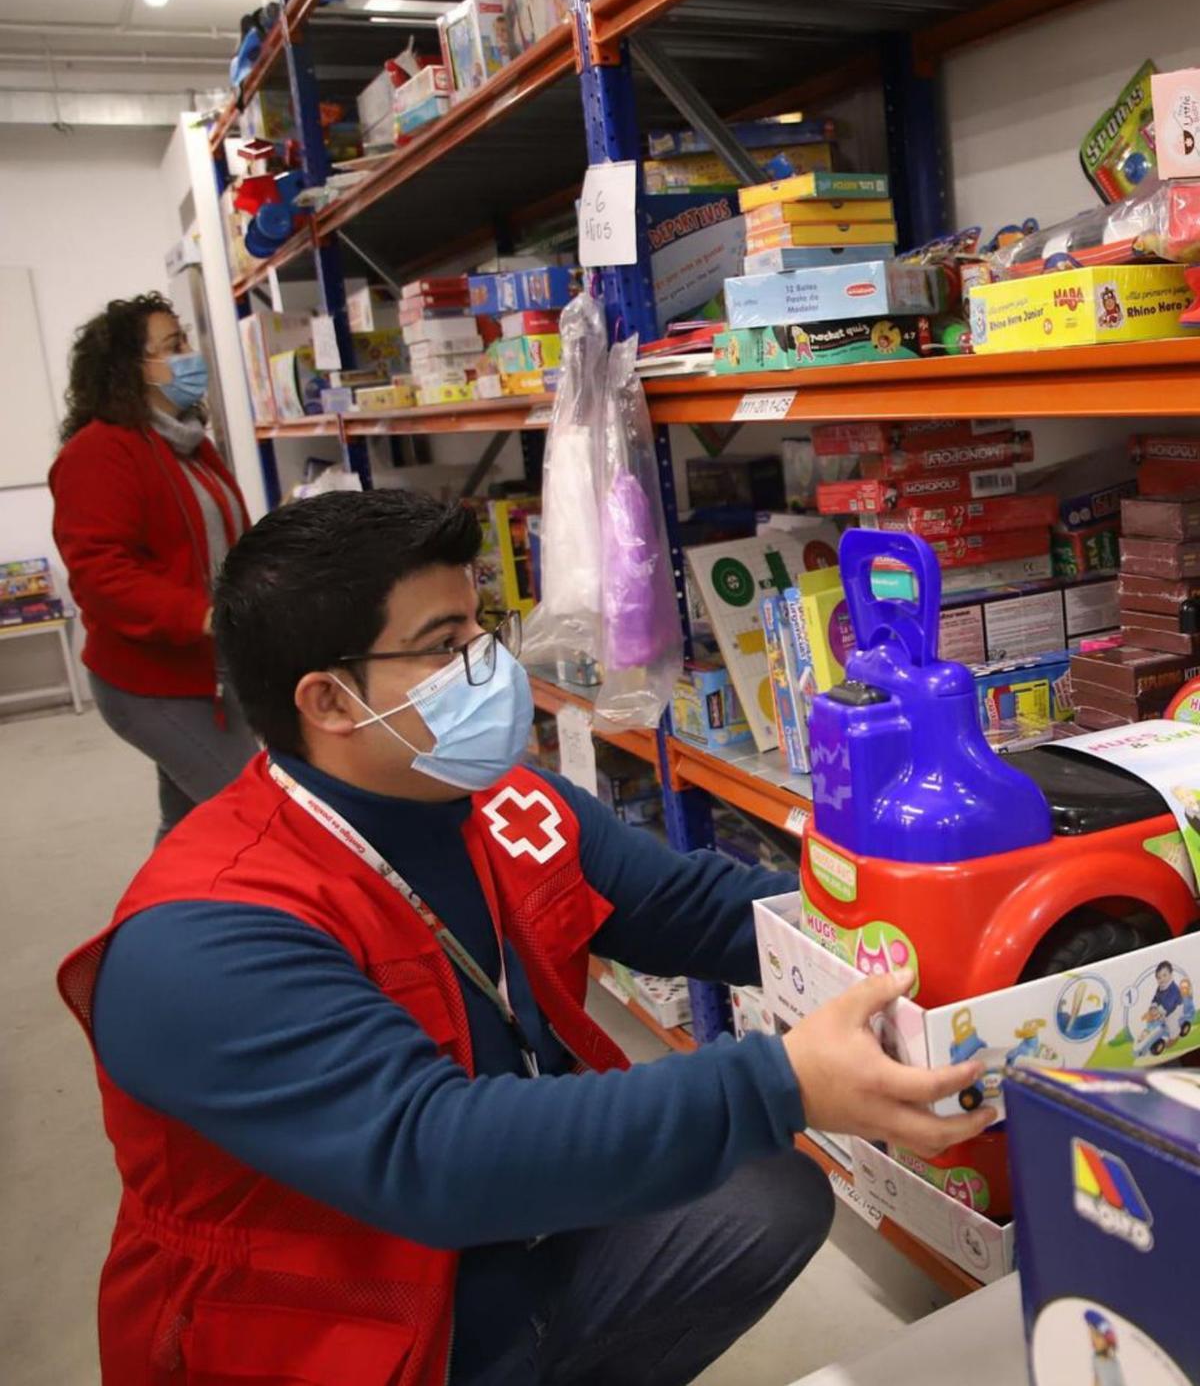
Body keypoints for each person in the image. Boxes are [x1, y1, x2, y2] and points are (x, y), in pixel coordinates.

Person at [58, 490, 994, 1386]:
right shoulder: (208, 934)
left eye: (481, 628)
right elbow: (431, 1154)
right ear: (330, 702)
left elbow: (692, 906)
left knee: (761, 1194)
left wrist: (924, 912)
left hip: (489, 1245)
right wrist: (783, 1080)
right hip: (318, 1328)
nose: (492, 668)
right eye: (444, 645)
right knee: (739, 1139)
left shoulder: (496, 802)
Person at [49, 293, 257, 842]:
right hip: (152, 681)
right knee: (256, 811)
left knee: (190, 825)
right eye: (173, 347)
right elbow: (101, 575)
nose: (191, 356)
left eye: (184, 341)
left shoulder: (188, 444)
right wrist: (205, 615)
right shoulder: (99, 453)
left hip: (208, 669)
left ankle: (161, 920)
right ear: (129, 370)